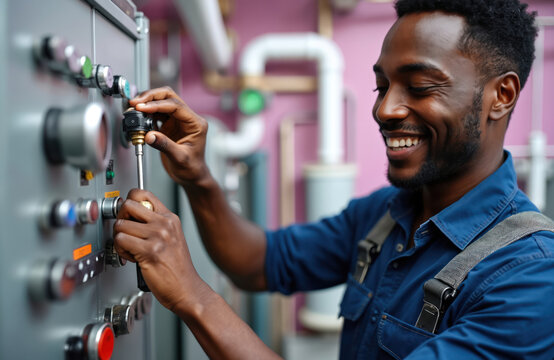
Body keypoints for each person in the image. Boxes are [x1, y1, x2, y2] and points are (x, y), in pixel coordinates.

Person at [113, 0, 554, 358]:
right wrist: (197, 176)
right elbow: (258, 262)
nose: (385, 110)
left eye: (419, 87)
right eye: (382, 87)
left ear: (502, 95)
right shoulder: (386, 214)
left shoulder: (531, 280)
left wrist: (192, 294)